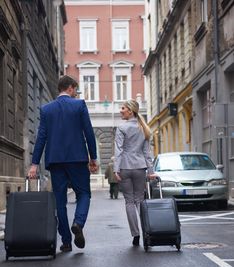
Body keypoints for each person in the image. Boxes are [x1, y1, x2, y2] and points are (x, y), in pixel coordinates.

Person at [28, 75, 98, 253]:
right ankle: (78, 222)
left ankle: (66, 241)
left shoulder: (46, 109)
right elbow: (89, 132)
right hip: (77, 158)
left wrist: (34, 163)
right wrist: (93, 157)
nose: (76, 93)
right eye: (75, 90)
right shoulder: (79, 105)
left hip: (55, 160)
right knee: (83, 194)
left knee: (60, 201)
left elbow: (41, 137)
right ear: (70, 88)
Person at [114, 99, 157, 246]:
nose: (121, 110)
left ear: (130, 111)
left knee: (129, 202)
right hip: (140, 167)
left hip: (125, 167)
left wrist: (116, 169)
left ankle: (136, 235)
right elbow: (147, 153)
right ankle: (146, 231)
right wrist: (151, 171)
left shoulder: (121, 128)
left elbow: (119, 150)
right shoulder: (143, 128)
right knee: (140, 201)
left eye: (123, 108)